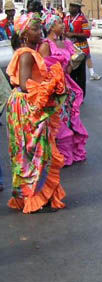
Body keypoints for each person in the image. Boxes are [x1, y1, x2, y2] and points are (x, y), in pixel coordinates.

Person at [5, 13, 67, 213]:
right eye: (34, 29)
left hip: (26, 104)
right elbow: (24, 85)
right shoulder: (26, 54)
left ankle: (36, 194)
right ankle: (32, 197)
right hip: (27, 107)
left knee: (33, 152)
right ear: (23, 33)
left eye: (39, 28)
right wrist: (50, 85)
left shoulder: (28, 51)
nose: (38, 32)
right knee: (32, 152)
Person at [39, 14, 89, 166]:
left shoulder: (66, 42)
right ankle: (60, 156)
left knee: (70, 120)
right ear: (51, 26)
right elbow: (43, 70)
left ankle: (71, 153)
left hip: (66, 86)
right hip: (54, 88)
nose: (63, 25)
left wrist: (74, 62)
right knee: (59, 122)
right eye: (59, 23)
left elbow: (69, 65)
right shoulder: (45, 45)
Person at [64, 0, 102, 98]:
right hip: (69, 49)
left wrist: (73, 34)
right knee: (70, 73)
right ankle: (72, 94)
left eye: (74, 6)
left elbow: (87, 34)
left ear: (78, 8)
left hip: (81, 49)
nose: (71, 8)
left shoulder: (82, 19)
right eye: (71, 5)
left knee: (80, 75)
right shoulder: (66, 18)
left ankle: (81, 95)